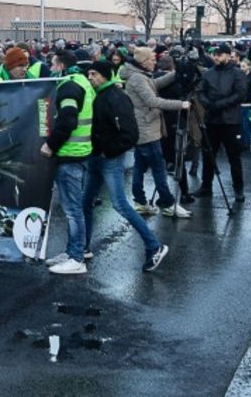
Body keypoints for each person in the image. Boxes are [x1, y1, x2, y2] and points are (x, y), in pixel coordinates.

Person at [81, 61, 170, 272]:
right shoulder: (100, 95)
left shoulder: (116, 97)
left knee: (120, 205)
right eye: (89, 74)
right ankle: (82, 247)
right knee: (86, 202)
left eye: (94, 74)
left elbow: (130, 134)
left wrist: (109, 151)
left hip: (109, 159)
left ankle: (154, 245)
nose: (90, 77)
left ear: (104, 75)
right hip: (97, 157)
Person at [121, 47, 192, 218]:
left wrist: (176, 74)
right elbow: (152, 100)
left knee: (139, 167)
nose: (155, 62)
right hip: (146, 130)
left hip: (145, 128)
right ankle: (167, 204)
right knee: (159, 169)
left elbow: (155, 85)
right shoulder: (137, 78)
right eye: (153, 60)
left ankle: (140, 202)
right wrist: (180, 104)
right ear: (143, 61)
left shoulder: (139, 75)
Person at [42, 52, 96, 275]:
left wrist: (51, 145)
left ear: (61, 64)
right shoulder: (82, 81)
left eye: (53, 63)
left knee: (73, 210)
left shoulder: (69, 86)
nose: (50, 68)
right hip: (79, 152)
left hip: (69, 154)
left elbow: (68, 120)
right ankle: (71, 251)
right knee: (73, 209)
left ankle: (76, 258)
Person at [196, 45, 249, 204]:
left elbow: (240, 94)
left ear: (228, 55)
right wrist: (207, 104)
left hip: (230, 121)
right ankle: (206, 186)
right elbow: (200, 91)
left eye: (219, 55)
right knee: (208, 155)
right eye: (215, 55)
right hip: (211, 120)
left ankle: (238, 189)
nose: (216, 58)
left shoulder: (238, 73)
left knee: (234, 156)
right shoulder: (209, 73)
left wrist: (220, 104)